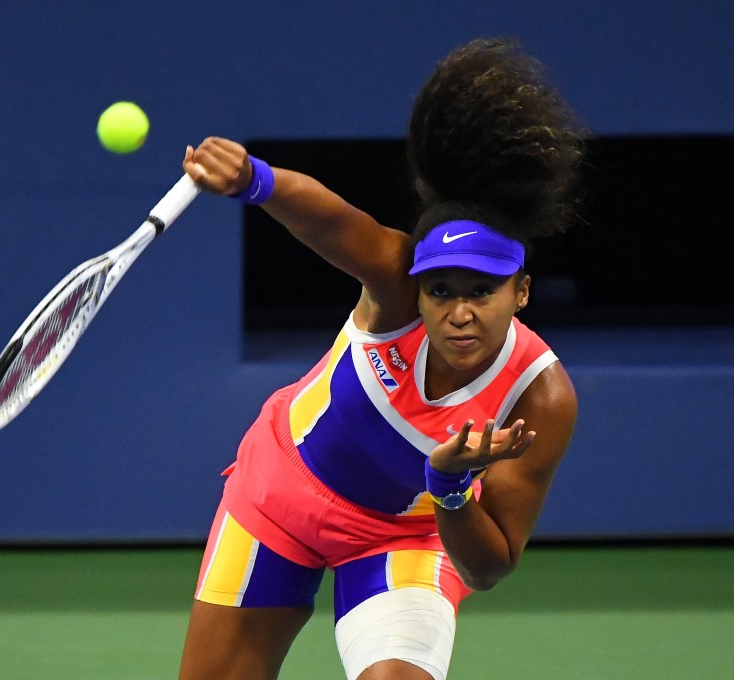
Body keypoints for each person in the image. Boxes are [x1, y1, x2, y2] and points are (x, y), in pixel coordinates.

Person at [178, 37, 585, 680]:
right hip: (277, 496)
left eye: (482, 291)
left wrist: (450, 489)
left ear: (522, 291)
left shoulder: (541, 397)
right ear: (417, 287)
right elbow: (334, 223)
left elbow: (489, 565)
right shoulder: (394, 290)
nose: (459, 311)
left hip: (404, 537)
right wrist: (255, 180)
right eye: (441, 290)